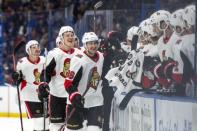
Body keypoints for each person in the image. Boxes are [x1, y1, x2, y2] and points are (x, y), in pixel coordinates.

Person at [38, 26, 81, 131]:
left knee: (74, 128)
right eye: (67, 35)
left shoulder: (79, 53)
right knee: (56, 126)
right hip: (57, 95)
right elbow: (46, 73)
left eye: (72, 35)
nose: (70, 37)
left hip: (73, 97)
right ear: (61, 38)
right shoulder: (54, 53)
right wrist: (43, 84)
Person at [62, 32, 104, 131]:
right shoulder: (78, 59)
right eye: (90, 43)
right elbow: (68, 83)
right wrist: (75, 96)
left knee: (95, 129)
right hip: (77, 103)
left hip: (95, 102)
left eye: (95, 43)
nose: (93, 46)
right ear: (85, 45)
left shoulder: (102, 57)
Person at [12, 40, 49, 131]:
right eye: (33, 47)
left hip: (42, 94)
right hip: (29, 95)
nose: (37, 48)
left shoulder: (44, 60)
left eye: (37, 46)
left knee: (47, 121)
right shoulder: (22, 63)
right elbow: (18, 80)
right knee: (39, 121)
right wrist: (16, 77)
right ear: (28, 50)